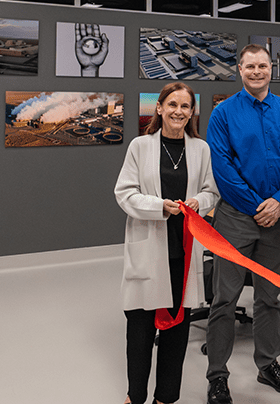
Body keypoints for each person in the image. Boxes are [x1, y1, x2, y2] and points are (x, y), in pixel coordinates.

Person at [205, 44, 280, 403]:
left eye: (262, 66)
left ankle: (268, 365)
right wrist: (256, 206)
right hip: (235, 219)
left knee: (270, 297)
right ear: (239, 69)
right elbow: (223, 168)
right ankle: (217, 375)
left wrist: (279, 202)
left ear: (270, 69)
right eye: (250, 66)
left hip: (277, 221)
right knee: (225, 299)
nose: (256, 72)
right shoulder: (223, 114)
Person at [114, 82, 220, 404]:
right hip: (149, 249)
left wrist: (199, 202)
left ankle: (165, 397)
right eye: (172, 104)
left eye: (185, 106)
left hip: (183, 251)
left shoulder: (201, 149)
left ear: (192, 113)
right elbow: (124, 193)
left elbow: (211, 190)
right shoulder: (140, 146)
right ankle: (136, 397)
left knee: (177, 332)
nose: (178, 111)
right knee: (141, 329)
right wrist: (158, 206)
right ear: (159, 108)